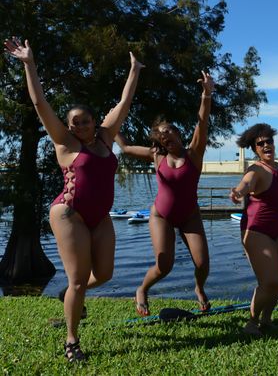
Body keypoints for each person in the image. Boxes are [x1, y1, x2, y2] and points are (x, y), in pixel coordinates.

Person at [4, 37, 143, 362]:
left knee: (104, 274)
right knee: (79, 278)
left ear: (94, 121)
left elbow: (124, 103)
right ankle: (71, 341)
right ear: (68, 127)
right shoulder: (64, 143)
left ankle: (69, 294)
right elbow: (40, 104)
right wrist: (29, 64)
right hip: (69, 214)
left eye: (85, 120)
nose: (79, 125)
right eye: (74, 122)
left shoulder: (107, 137)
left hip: (100, 217)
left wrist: (134, 70)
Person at [114, 71, 215, 317]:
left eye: (168, 130)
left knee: (202, 263)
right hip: (161, 216)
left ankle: (199, 288)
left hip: (189, 215)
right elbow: (125, 147)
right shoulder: (156, 155)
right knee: (164, 266)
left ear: (178, 133)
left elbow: (202, 122)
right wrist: (112, 121)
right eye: (160, 134)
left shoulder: (194, 154)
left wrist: (206, 94)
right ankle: (141, 290)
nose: (165, 135)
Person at [229, 124, 278, 336]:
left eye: (269, 141)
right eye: (261, 143)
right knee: (270, 281)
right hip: (256, 230)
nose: (266, 145)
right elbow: (246, 184)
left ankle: (267, 320)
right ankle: (251, 323)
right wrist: (238, 192)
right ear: (254, 149)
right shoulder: (255, 170)